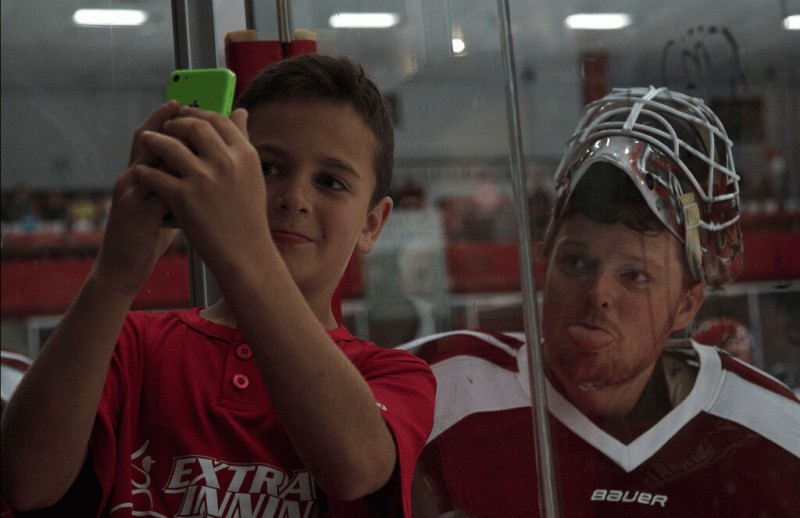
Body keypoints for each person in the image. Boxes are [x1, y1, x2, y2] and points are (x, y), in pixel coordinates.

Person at [1, 54, 436, 517]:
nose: (294, 198)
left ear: (372, 224)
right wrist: (114, 276)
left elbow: (355, 468)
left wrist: (245, 249)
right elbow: (23, 482)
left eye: (330, 182)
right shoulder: (128, 345)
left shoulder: (396, 376)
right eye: (267, 169)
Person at [403, 87, 800, 517]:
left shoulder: (775, 433)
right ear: (546, 265)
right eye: (575, 262)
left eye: (634, 275)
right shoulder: (435, 389)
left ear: (687, 304)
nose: (597, 294)